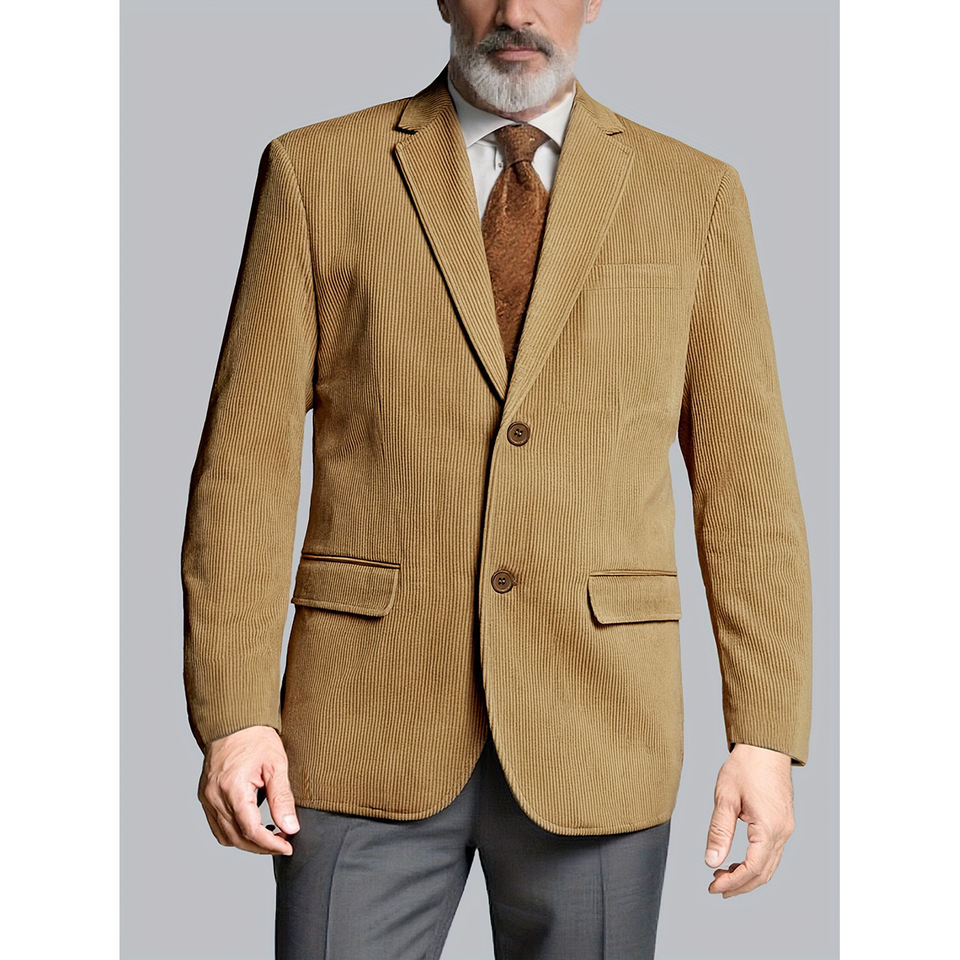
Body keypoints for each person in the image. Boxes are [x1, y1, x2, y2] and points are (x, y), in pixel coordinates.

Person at [181, 1, 813, 957]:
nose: (517, 12)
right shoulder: (317, 173)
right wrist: (234, 715)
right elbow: (245, 462)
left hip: (598, 729)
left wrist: (763, 732)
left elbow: (748, 486)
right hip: (361, 722)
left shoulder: (695, 194)